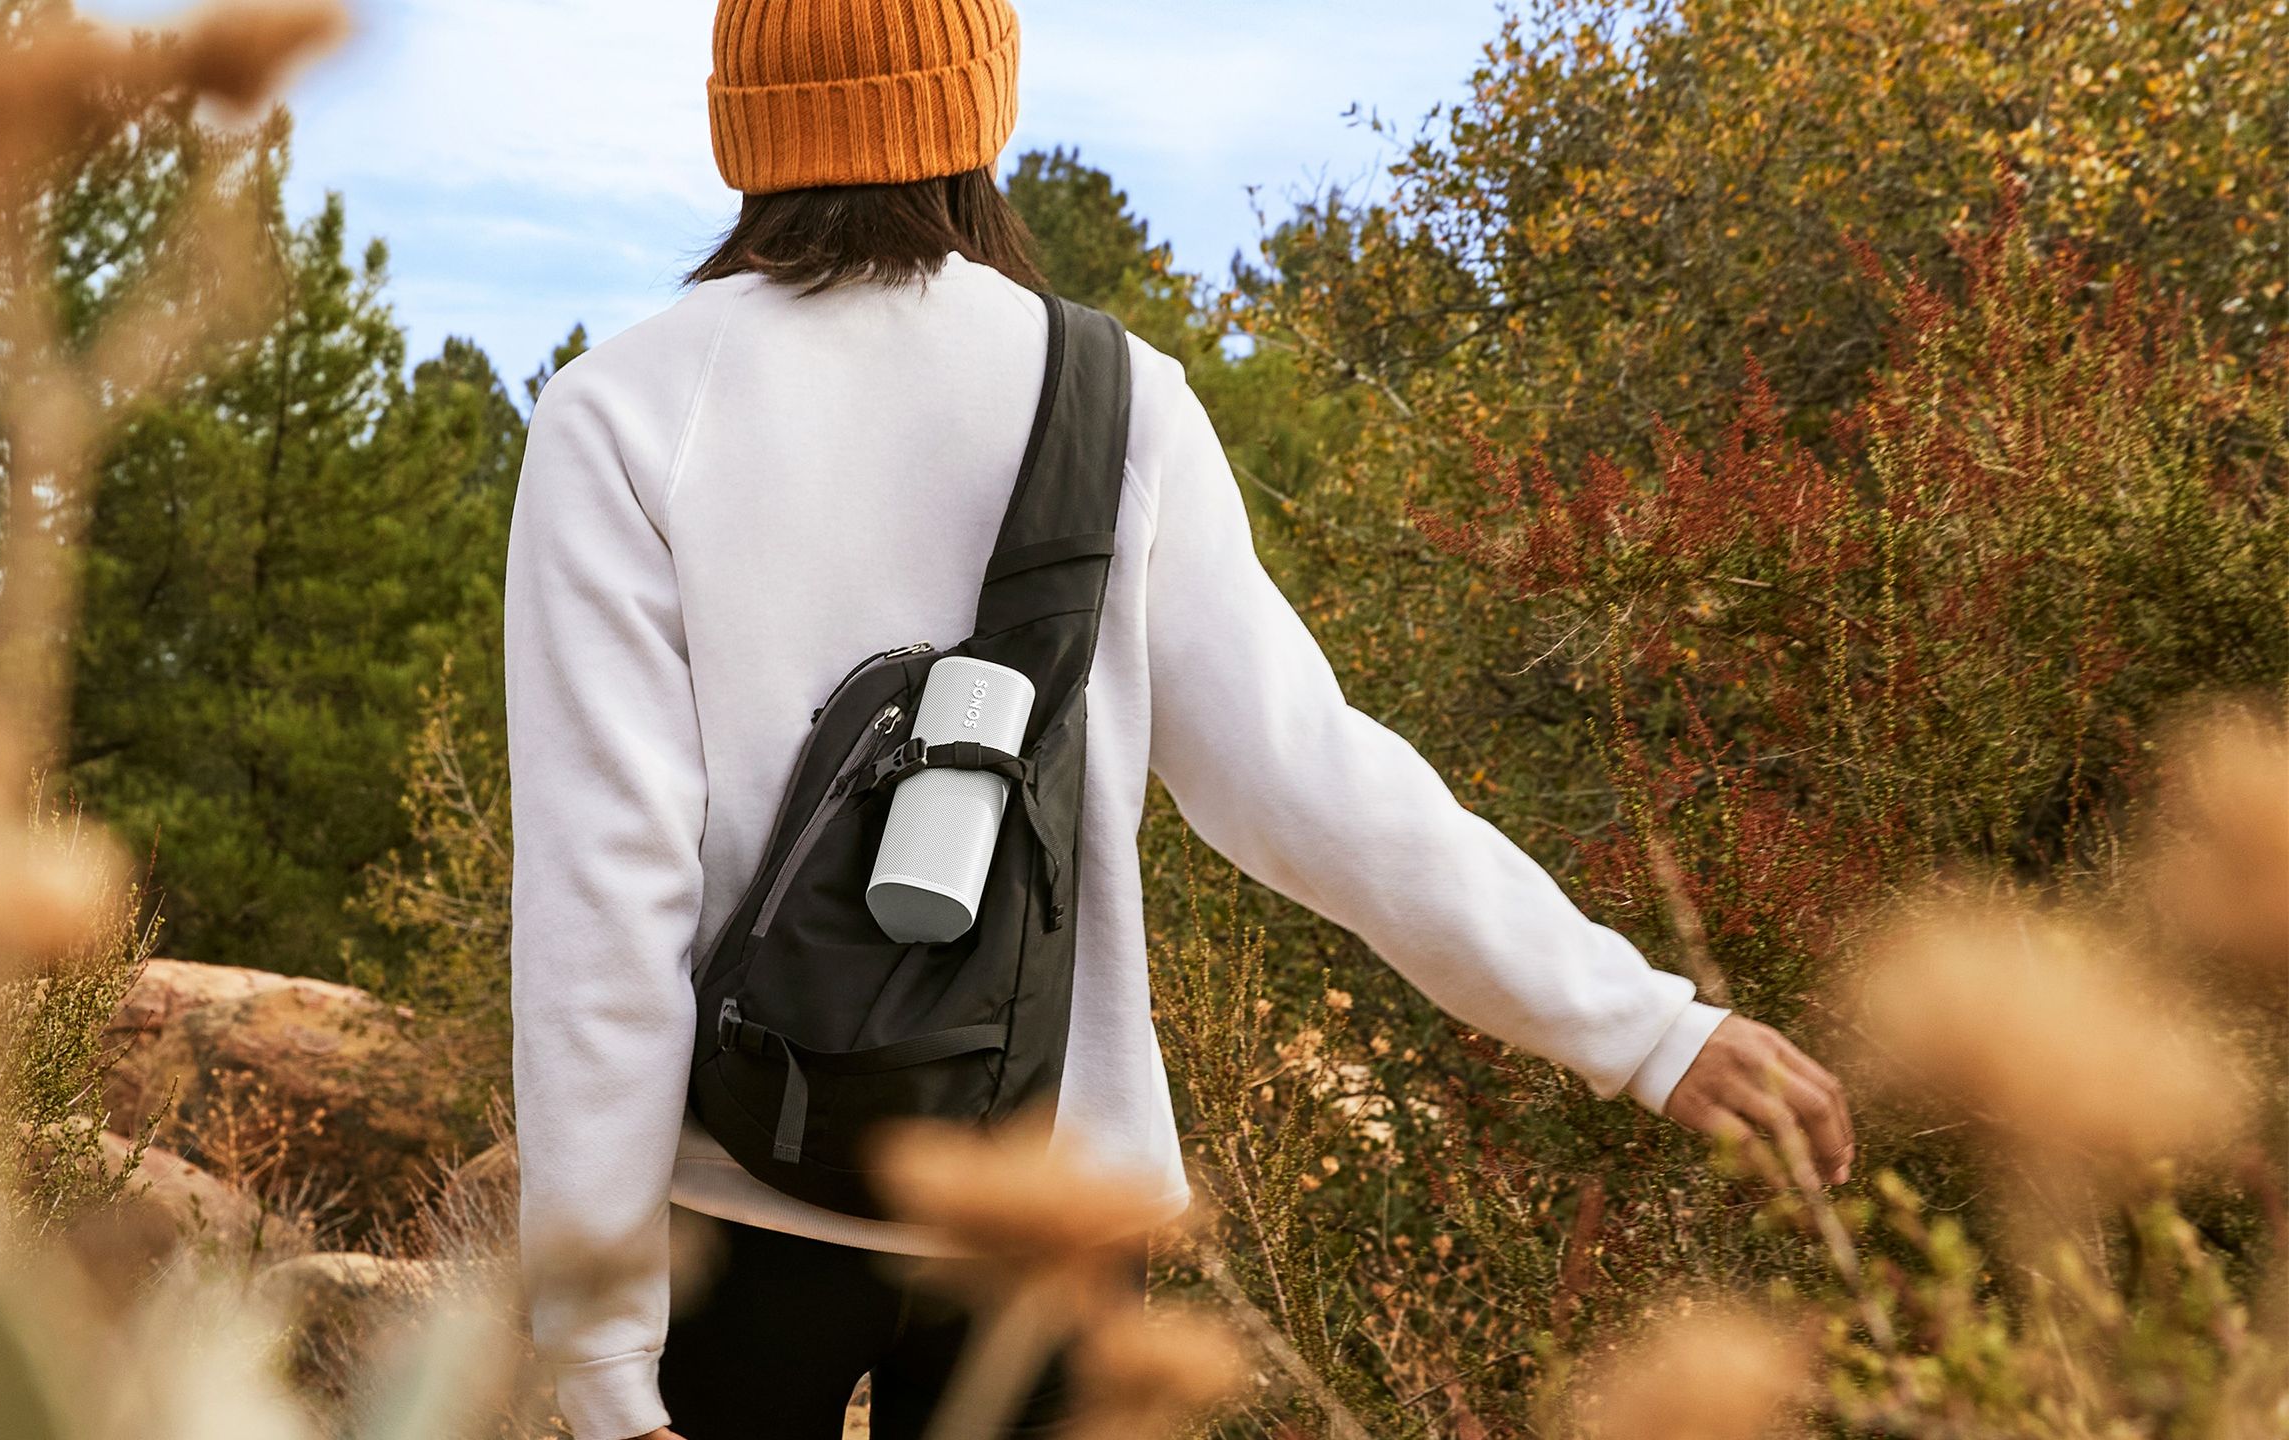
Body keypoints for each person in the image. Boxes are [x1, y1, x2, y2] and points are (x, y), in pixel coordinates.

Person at [503, 2, 1856, 1437]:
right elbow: (1310, 786)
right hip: (1056, 1215)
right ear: (981, 105)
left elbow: (609, 891)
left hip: (740, 1200)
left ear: (742, 118)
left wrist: (600, 1361)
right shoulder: (1115, 397)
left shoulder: (624, 412)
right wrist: (1645, 1029)